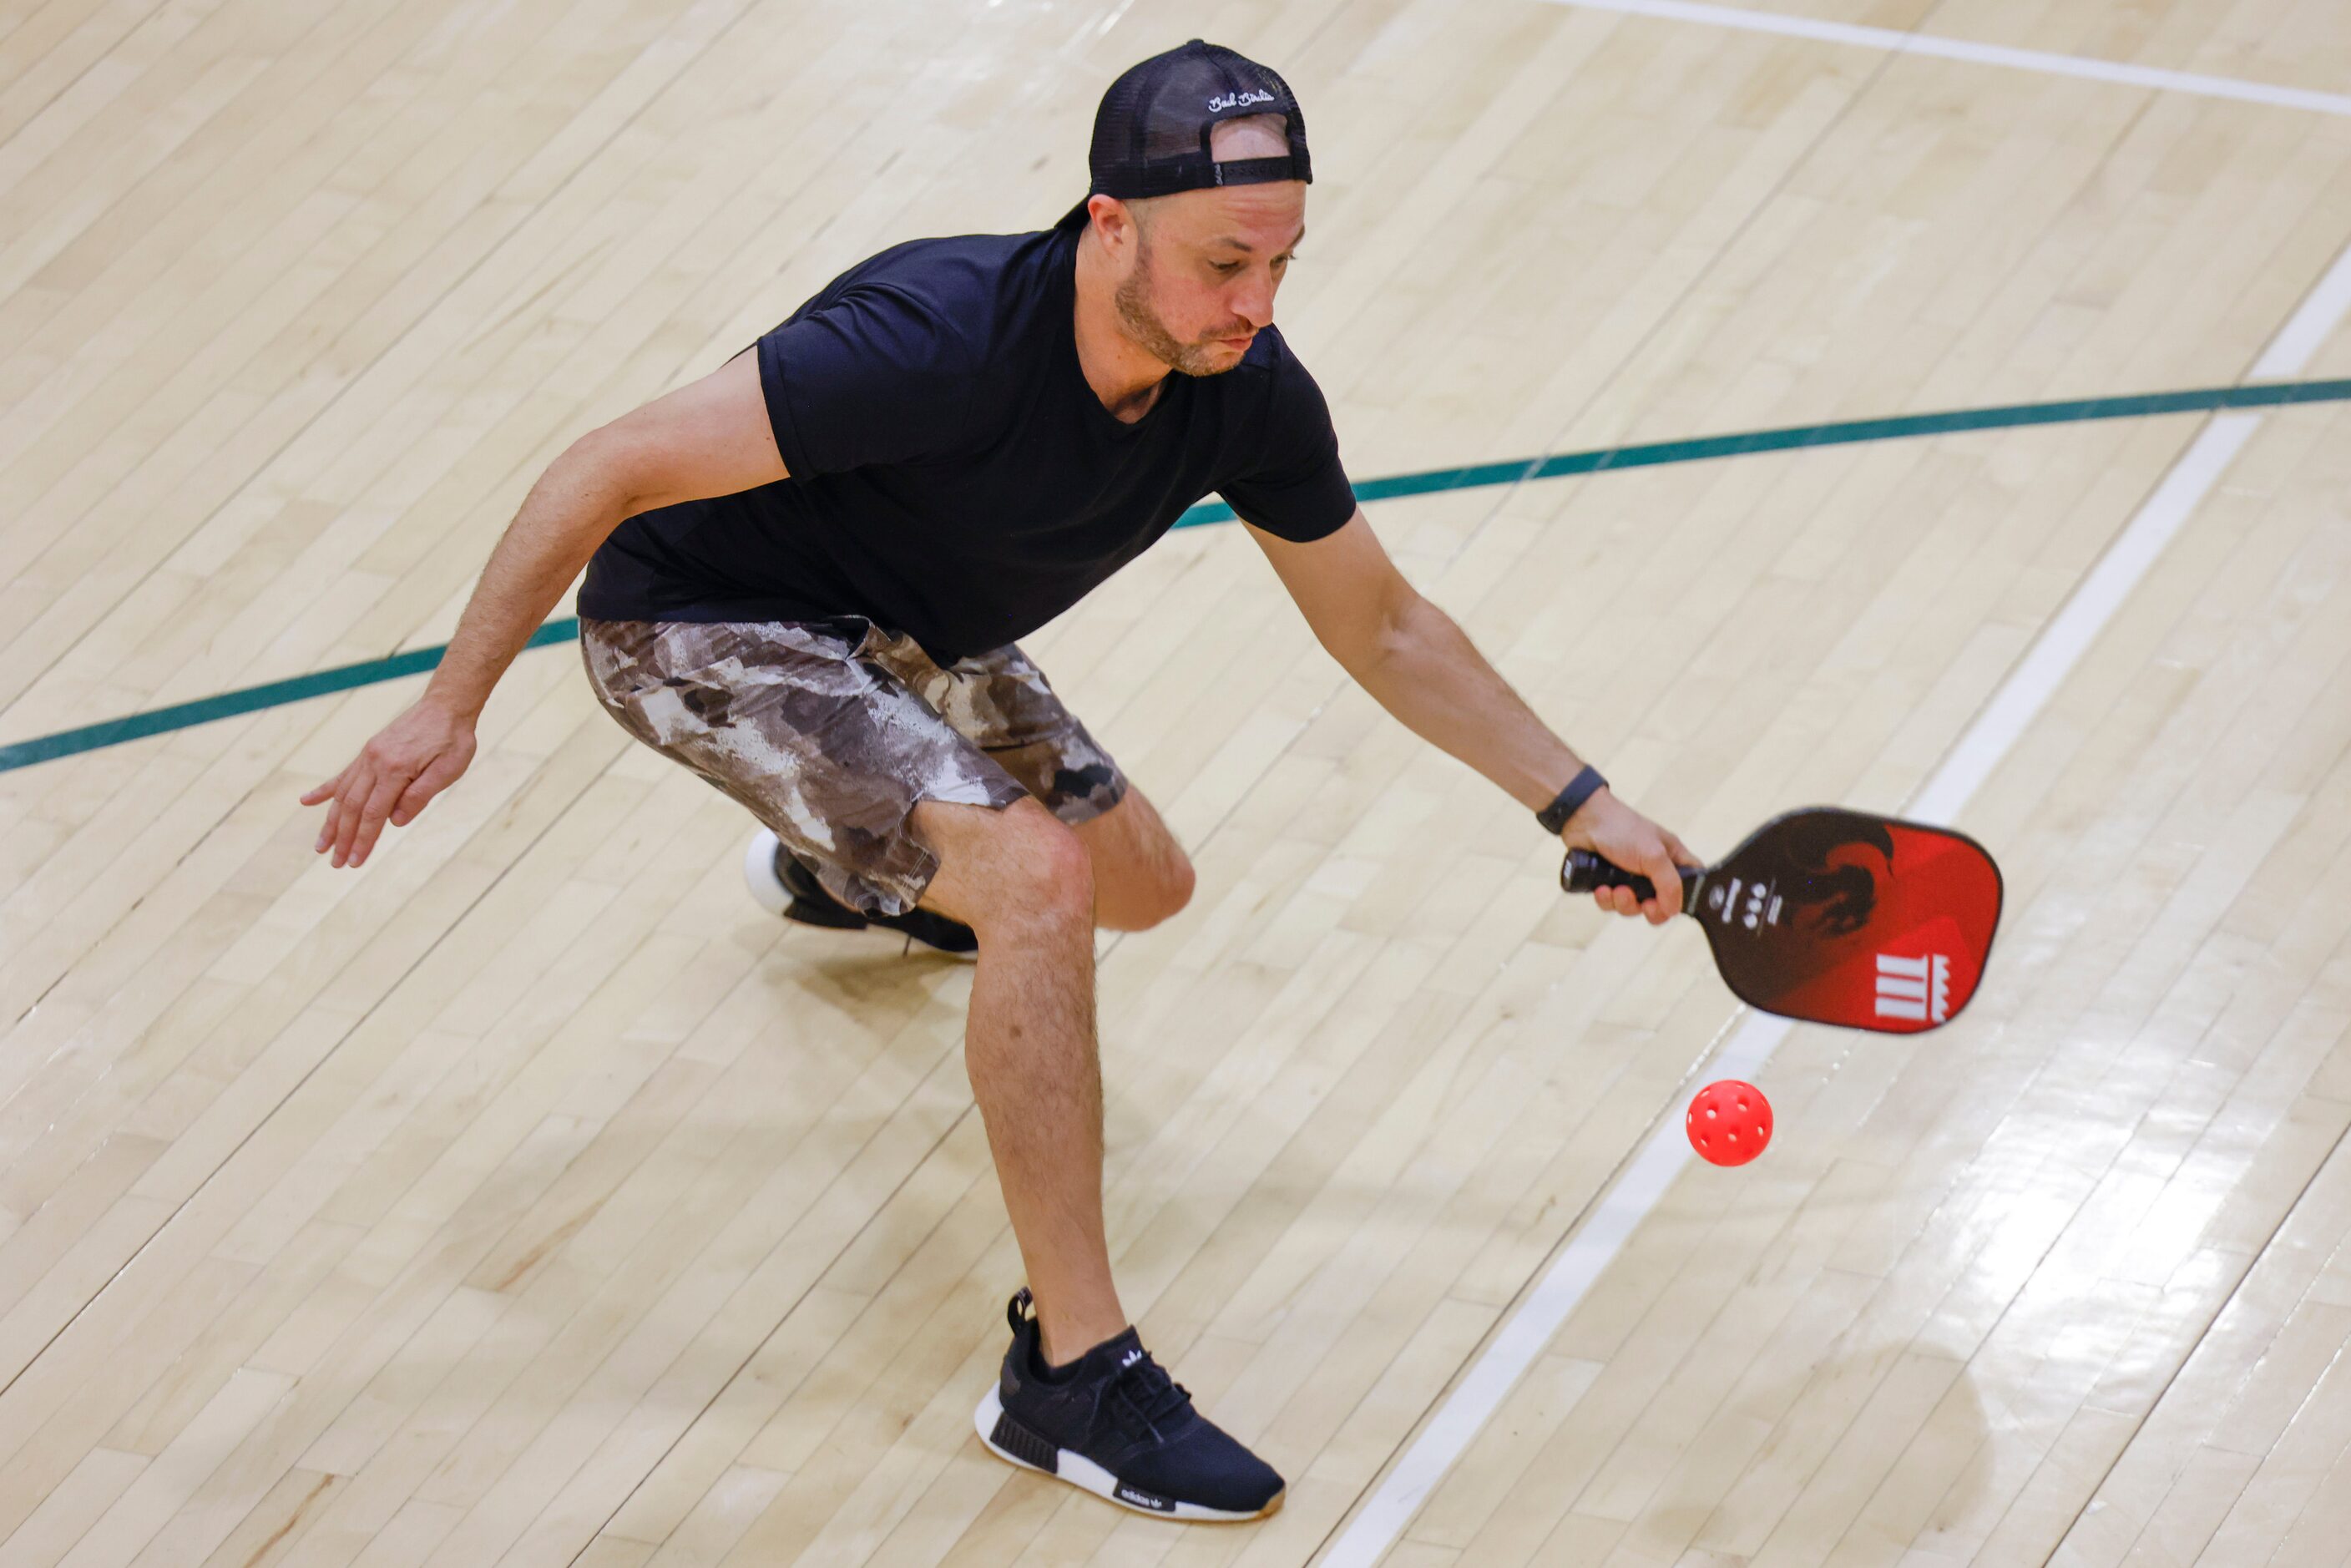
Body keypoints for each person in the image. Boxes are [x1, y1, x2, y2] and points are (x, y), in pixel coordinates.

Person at [300, 38, 1698, 1523]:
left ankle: (854, 862)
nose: (1257, 305)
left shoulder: (1245, 387)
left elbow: (1389, 623)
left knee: (1146, 890)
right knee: (1036, 882)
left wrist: (1580, 799)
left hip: (909, 632)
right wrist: (447, 708)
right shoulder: (936, 338)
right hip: (705, 621)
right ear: (1111, 223)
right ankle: (1071, 1373)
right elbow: (610, 463)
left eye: (1283, 263)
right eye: (1227, 262)